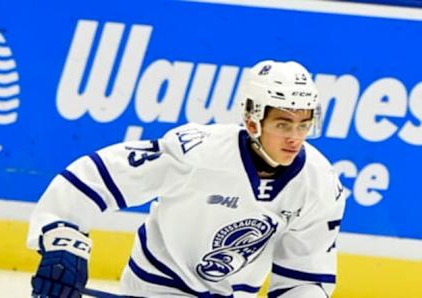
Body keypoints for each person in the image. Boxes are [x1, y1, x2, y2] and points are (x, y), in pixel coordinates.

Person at [27, 60, 346, 298]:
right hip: (153, 290)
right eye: (283, 124)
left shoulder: (319, 184)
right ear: (252, 121)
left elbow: (303, 278)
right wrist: (63, 239)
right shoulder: (197, 152)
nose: (295, 138)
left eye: (303, 125)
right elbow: (95, 176)